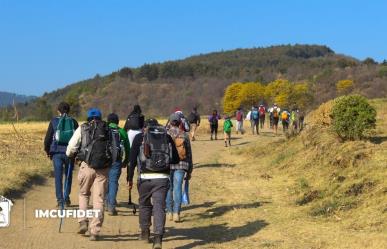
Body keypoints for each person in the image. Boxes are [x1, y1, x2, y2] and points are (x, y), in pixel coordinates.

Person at [128, 118, 179, 249]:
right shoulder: (166, 137)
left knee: (144, 205)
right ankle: (158, 239)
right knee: (159, 207)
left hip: (145, 178)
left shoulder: (139, 137)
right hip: (162, 178)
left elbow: (132, 160)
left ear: (145, 127)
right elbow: (175, 159)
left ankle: (145, 233)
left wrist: (129, 178)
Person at [66, 108, 111, 241]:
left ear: (88, 118)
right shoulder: (107, 129)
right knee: (99, 199)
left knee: (84, 194)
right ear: (100, 117)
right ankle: (95, 231)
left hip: (86, 165)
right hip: (103, 168)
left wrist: (70, 155)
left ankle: (83, 221)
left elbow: (71, 146)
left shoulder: (83, 128)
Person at [44, 102, 78, 208]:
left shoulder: (54, 121)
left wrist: (48, 151)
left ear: (58, 111)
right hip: (69, 153)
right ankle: (66, 198)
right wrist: (76, 153)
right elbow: (77, 139)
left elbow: (48, 138)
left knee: (58, 177)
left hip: (56, 153)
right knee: (68, 176)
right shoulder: (73, 121)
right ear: (69, 110)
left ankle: (60, 200)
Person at [166, 113, 193, 222]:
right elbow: (189, 154)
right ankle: (177, 213)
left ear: (170, 122)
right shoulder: (185, 135)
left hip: (167, 165)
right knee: (177, 188)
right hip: (181, 165)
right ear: (180, 122)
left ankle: (169, 212)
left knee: (169, 188)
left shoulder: (165, 134)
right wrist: (190, 170)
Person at [106, 113, 130, 216]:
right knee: (113, 182)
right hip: (117, 161)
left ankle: (106, 203)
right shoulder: (121, 131)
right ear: (117, 121)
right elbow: (128, 148)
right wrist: (126, 160)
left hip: (104, 161)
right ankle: (111, 206)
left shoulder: (104, 130)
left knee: (104, 181)